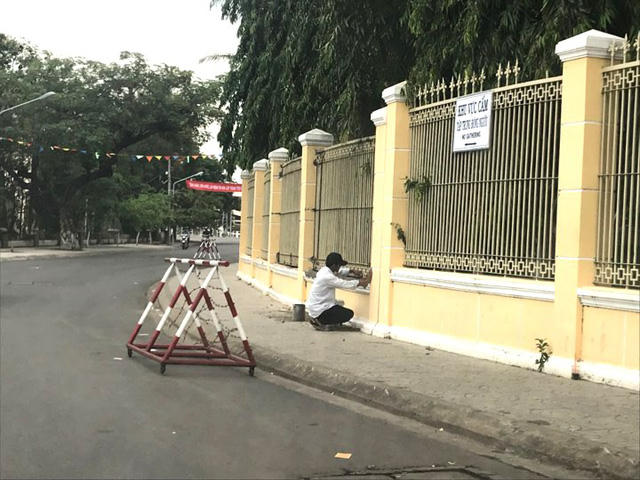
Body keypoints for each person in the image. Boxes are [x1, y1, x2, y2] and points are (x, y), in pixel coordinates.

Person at [306, 252, 372, 331]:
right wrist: (361, 282)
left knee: (339, 304)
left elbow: (339, 272)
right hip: (319, 311)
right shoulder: (328, 277)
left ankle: (320, 320)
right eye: (339, 265)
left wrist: (351, 271)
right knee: (348, 314)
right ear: (334, 265)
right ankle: (320, 322)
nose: (340, 267)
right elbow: (343, 284)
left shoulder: (323, 270)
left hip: (315, 308)